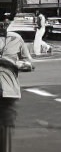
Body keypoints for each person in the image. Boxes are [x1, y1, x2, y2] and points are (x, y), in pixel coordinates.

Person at [0, 14, 34, 150]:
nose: (4, 24)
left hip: (8, 92)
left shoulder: (16, 38)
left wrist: (19, 64)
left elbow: (30, 64)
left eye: (6, 21)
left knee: (5, 132)